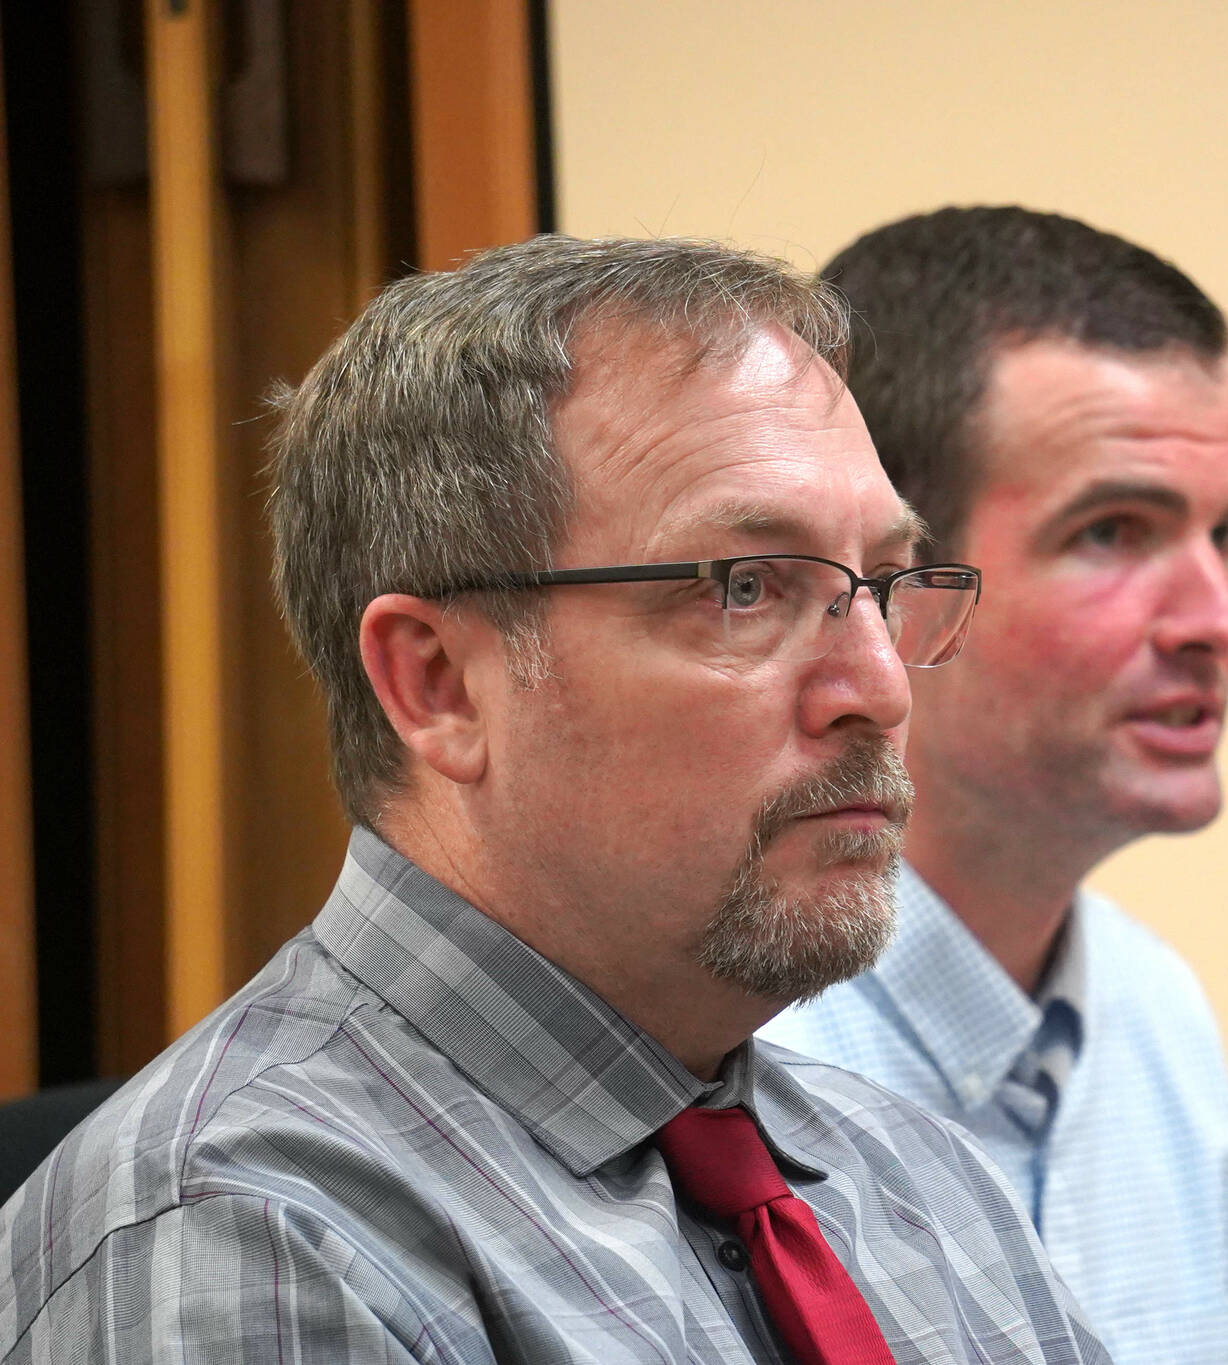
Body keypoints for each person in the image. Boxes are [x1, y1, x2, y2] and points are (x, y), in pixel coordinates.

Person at [0, 235, 1106, 1364]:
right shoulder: (254, 1243)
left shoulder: (917, 1180)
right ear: (439, 685)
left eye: (881, 586)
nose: (876, 688)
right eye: (743, 589)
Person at [763, 207, 1228, 1365]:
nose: (1215, 623)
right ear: (894, 581)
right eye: (1112, 532)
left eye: (1225, 535)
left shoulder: (1156, 1015)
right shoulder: (731, 1058)